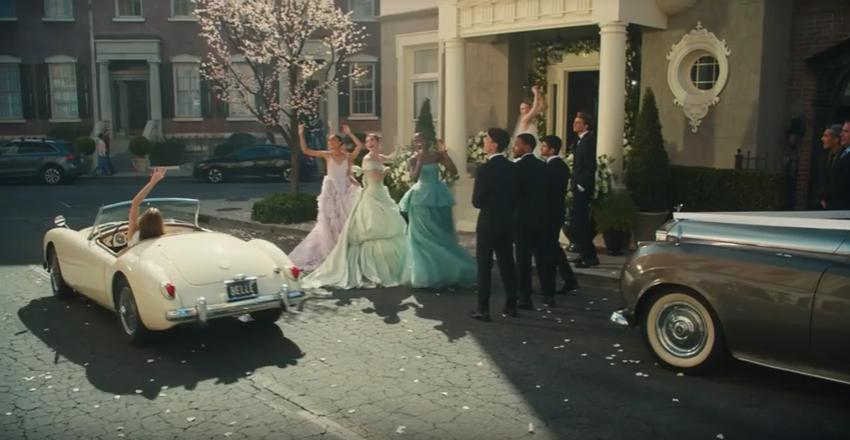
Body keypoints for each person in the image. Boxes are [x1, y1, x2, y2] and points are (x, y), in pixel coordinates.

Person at [302, 126, 410, 289]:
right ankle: (355, 258)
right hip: (364, 192)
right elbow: (375, 176)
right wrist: (386, 171)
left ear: (378, 142)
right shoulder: (365, 158)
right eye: (368, 141)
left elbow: (388, 158)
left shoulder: (374, 157)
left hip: (376, 192)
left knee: (377, 222)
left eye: (372, 140)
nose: (369, 143)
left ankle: (386, 262)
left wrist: (399, 149)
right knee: (361, 224)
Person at [399, 134, 475, 288]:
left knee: (440, 233)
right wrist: (419, 161)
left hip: (438, 196)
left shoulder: (435, 156)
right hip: (420, 197)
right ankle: (424, 275)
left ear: (428, 141)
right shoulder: (413, 159)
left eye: (422, 139)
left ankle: (446, 270)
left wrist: (445, 155)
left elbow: (453, 171)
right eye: (416, 140)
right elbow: (413, 178)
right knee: (421, 235)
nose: (419, 142)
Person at [288, 124, 363, 271]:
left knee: (344, 220)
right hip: (331, 189)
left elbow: (359, 147)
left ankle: (343, 249)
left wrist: (350, 133)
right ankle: (329, 251)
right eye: (329, 141)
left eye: (333, 140)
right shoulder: (327, 155)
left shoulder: (347, 156)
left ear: (340, 143)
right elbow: (306, 150)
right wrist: (301, 133)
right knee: (329, 220)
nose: (330, 142)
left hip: (344, 189)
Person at [470, 128, 519, 322]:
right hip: (506, 222)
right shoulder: (513, 168)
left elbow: (477, 201)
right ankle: (511, 305)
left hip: (488, 222)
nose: (484, 142)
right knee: (507, 263)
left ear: (495, 144)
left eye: (487, 139)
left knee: (484, 266)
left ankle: (483, 308)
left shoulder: (484, 169)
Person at [512, 133, 550, 308]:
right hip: (542, 217)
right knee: (543, 257)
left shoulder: (517, 167)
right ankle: (548, 294)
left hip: (522, 218)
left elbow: (513, 194)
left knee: (523, 259)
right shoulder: (543, 166)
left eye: (517, 144)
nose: (514, 147)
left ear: (527, 146)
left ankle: (524, 297)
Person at [538, 135, 579, 297]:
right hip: (555, 211)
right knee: (553, 247)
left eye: (544, 146)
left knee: (549, 248)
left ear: (552, 150)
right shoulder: (559, 166)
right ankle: (569, 279)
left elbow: (546, 190)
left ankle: (553, 283)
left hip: (550, 212)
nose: (541, 148)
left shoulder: (552, 167)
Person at [569, 112, 599, 268]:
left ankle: (589, 256)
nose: (575, 124)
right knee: (578, 222)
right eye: (575, 121)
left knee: (582, 223)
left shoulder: (587, 141)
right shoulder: (580, 141)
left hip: (582, 188)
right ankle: (585, 253)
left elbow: (590, 166)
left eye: (578, 122)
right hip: (577, 186)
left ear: (586, 126)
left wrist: (581, 184)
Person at [127, 167, 167, 245]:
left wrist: (152, 182)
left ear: (143, 221)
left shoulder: (134, 235)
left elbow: (135, 203)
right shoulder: (164, 240)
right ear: (160, 224)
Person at [819, 121, 850, 210]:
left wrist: (823, 195)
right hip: (833, 205)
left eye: (846, 131)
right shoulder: (844, 153)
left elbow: (842, 182)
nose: (841, 134)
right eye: (842, 131)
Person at [513, 85, 544, 158]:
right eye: (522, 109)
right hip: (526, 146)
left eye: (525, 108)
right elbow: (535, 107)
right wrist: (535, 92)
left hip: (534, 143)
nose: (524, 110)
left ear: (529, 108)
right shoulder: (524, 119)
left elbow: (541, 106)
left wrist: (538, 94)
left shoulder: (530, 118)